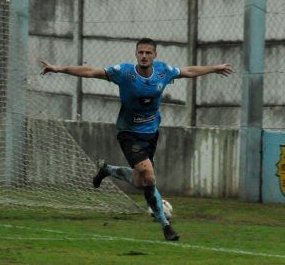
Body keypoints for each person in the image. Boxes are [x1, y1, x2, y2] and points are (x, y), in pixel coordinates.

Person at [40, 38, 233, 241]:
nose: (144, 56)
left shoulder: (163, 71)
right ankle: (166, 226)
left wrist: (214, 68)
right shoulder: (124, 73)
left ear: (155, 55)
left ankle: (107, 170)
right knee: (149, 175)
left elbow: (188, 71)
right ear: (135, 54)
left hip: (150, 134)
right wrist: (58, 69)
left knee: (140, 181)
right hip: (128, 133)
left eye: (148, 53)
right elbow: (90, 72)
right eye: (140, 52)